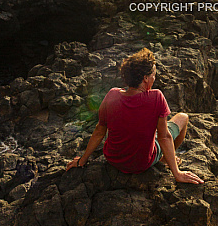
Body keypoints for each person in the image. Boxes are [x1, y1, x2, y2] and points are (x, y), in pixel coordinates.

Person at [66, 48, 203, 185]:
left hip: (114, 159)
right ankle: (165, 160)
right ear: (145, 78)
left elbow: (99, 131)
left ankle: (164, 156)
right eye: (153, 74)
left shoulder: (112, 95)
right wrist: (177, 173)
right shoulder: (156, 97)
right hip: (142, 164)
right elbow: (164, 137)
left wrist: (82, 160)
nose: (154, 78)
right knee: (183, 117)